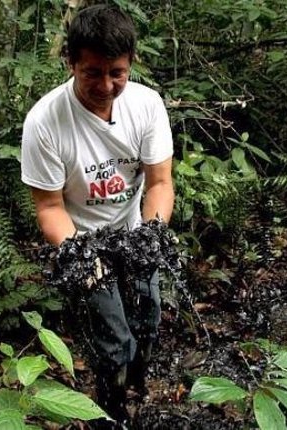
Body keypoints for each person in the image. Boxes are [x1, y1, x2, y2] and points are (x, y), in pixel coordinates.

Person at [20, 4, 174, 427]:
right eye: (92, 73)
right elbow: (49, 207)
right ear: (70, 62)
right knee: (113, 339)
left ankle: (137, 389)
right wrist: (82, 255)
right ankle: (109, 409)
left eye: (117, 73)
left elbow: (159, 183)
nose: (106, 86)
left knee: (149, 323)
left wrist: (152, 233)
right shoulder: (45, 122)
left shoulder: (147, 106)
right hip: (81, 239)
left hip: (132, 231)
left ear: (131, 64)